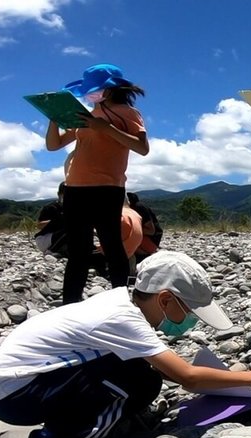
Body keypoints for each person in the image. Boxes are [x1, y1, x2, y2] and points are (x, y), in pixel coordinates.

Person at [0, 250, 251, 438]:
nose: (192, 320)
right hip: (16, 396)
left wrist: (218, 380)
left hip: (21, 386)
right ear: (165, 299)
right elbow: (186, 378)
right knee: (138, 379)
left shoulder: (121, 303)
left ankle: (80, 420)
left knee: (142, 373)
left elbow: (174, 371)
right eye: (190, 311)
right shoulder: (122, 319)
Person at [46, 63, 149, 304]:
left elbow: (142, 148)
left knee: (112, 246)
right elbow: (53, 145)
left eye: (97, 89)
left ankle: (121, 302)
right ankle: (69, 306)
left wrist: (107, 128)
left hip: (107, 189)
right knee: (78, 252)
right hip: (74, 189)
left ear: (112, 88)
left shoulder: (127, 113)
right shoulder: (86, 114)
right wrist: (53, 119)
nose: (92, 94)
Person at [34, 182, 67, 256]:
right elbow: (39, 225)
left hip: (63, 240)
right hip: (45, 239)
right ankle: (51, 251)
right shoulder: (51, 207)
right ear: (59, 194)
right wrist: (56, 220)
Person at [127, 191, 163, 260]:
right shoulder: (138, 206)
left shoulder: (138, 207)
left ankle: (141, 256)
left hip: (151, 242)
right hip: (151, 242)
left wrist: (132, 230)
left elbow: (151, 231)